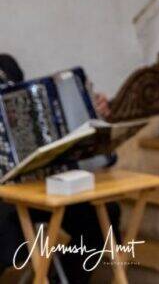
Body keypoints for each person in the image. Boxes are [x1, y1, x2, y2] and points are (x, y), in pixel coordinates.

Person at [0, 55, 120, 284]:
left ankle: (63, 279)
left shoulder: (6, 66)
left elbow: (32, 113)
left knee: (105, 212)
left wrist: (94, 111)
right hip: (5, 197)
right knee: (5, 224)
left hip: (38, 182)